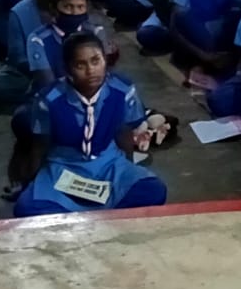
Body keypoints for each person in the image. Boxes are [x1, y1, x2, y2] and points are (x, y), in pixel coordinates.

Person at [11, 33, 166, 217]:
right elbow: (40, 145)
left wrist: (127, 170)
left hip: (108, 163)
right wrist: (30, 181)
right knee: (27, 208)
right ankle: (106, 217)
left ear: (105, 60)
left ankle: (79, 220)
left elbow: (124, 133)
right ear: (68, 69)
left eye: (95, 61)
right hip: (64, 166)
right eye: (80, 65)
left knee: (153, 190)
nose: (91, 70)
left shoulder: (122, 89)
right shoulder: (49, 99)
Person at [0, 0, 65, 113]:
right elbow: (17, 55)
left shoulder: (70, 5)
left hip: (67, 68)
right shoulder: (19, 11)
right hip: (30, 72)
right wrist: (42, 69)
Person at [27, 0, 118, 89]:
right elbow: (48, 84)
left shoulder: (96, 33)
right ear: (53, 8)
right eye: (68, 7)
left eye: (80, 7)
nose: (75, 13)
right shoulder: (38, 40)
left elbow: (105, 75)